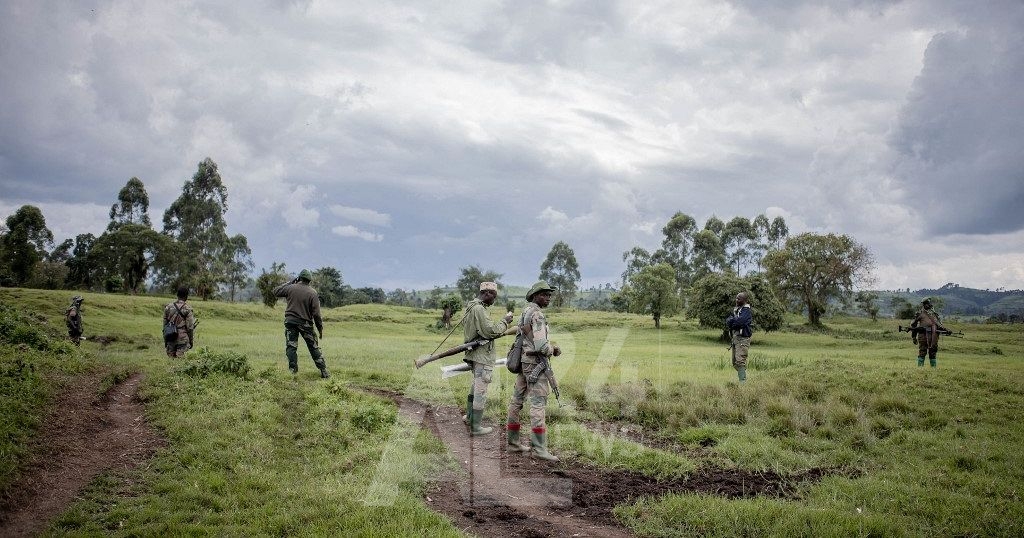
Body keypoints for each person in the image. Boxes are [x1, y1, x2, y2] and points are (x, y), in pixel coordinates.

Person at [506, 280, 561, 461]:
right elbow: (541, 346)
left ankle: (513, 443)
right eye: (544, 295)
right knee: (538, 404)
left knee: (516, 401)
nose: (548, 298)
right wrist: (553, 349)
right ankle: (539, 449)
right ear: (536, 295)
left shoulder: (526, 311)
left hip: (523, 362)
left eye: (549, 295)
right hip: (535, 364)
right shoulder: (537, 315)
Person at [462, 282, 514, 436]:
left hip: (475, 354)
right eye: (494, 296)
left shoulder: (471, 306)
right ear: (487, 293)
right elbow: (490, 331)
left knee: (475, 385)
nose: (494, 300)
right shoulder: (479, 309)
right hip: (482, 355)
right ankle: (476, 427)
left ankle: (470, 417)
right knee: (481, 390)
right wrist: (505, 321)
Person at [274, 269, 330, 378]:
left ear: (299, 278)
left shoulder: (290, 288)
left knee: (291, 346)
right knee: (313, 347)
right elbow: (316, 314)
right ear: (309, 280)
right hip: (305, 324)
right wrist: (320, 329)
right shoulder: (312, 293)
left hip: (290, 322)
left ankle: (292, 371)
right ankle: (323, 371)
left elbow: (276, 291)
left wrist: (290, 282)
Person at [726, 292, 752, 382]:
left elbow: (740, 322)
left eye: (739, 299)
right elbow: (728, 321)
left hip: (743, 339)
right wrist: (733, 321)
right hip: (735, 339)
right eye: (736, 298)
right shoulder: (737, 310)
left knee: (740, 361)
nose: (736, 300)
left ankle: (743, 383)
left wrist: (733, 321)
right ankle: (743, 376)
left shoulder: (746, 311)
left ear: (745, 300)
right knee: (735, 362)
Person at [911, 298, 945, 368]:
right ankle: (920, 369)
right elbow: (913, 326)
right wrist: (914, 337)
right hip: (923, 336)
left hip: (934, 337)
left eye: (929, 303)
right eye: (926, 304)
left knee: (933, 352)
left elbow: (939, 325)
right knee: (922, 351)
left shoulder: (934, 314)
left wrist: (943, 329)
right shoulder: (919, 314)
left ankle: (933, 369)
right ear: (924, 305)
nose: (928, 305)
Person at [163, 286, 196, 358]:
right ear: (186, 296)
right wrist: (191, 341)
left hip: (170, 337)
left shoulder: (168, 307)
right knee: (180, 362)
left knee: (171, 362)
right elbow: (190, 328)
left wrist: (166, 341)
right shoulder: (188, 309)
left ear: (177, 295)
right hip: (182, 338)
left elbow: (165, 326)